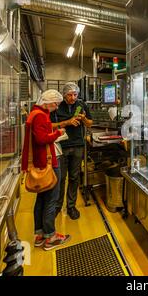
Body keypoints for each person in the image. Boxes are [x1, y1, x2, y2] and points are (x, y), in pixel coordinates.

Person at [21, 90, 71, 251]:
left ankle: (40, 235)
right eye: (55, 104)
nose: (56, 107)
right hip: (47, 163)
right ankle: (51, 237)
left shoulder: (33, 114)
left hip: (38, 163)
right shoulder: (41, 115)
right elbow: (42, 139)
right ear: (48, 102)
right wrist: (57, 133)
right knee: (51, 200)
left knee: (41, 200)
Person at [50, 82, 93, 220]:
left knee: (74, 177)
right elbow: (50, 125)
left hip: (78, 145)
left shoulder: (81, 105)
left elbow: (90, 123)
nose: (73, 97)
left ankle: (71, 206)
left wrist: (83, 118)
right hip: (61, 146)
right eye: (70, 95)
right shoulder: (57, 106)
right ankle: (57, 206)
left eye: (75, 94)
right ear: (64, 94)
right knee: (61, 178)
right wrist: (67, 122)